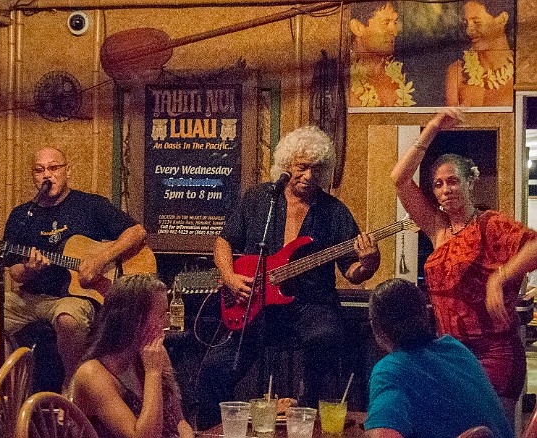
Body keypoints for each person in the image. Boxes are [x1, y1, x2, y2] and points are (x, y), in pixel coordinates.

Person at [195, 125, 381, 430]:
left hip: (312, 305)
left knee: (324, 338)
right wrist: (229, 277)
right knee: (215, 367)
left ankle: (305, 420)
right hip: (255, 303)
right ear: (286, 165)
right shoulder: (259, 199)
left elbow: (352, 272)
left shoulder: (334, 212)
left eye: (317, 169)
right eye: (302, 167)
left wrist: (368, 263)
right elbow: (224, 241)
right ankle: (212, 429)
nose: (309, 175)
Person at [390, 108, 537, 426]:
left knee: (489, 431)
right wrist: (431, 129)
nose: (445, 190)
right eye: (438, 184)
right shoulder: (436, 229)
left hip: (494, 353)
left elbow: (535, 246)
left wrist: (500, 277)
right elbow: (399, 178)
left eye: (453, 181)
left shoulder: (490, 224)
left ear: (471, 181)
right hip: (450, 353)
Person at [0, 147, 147, 389]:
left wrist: (101, 259)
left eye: (53, 168)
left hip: (72, 298)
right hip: (30, 299)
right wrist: (29, 270)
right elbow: (15, 273)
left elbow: (137, 232)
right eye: (39, 170)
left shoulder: (90, 205)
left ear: (67, 170)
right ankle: (19, 375)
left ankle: (72, 382)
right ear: (34, 177)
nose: (47, 175)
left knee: (68, 318)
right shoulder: (21, 216)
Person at [365, 278, 513, 438]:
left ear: (375, 327)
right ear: (426, 315)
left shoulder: (390, 371)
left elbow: (382, 435)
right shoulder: (454, 348)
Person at [71, 274, 194, 438]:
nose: (167, 322)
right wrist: (153, 373)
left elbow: (180, 422)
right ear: (136, 320)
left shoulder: (156, 353)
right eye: (162, 314)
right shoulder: (92, 374)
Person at [445, 0, 514, 107]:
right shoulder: (456, 72)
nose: (468, 31)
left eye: (477, 22)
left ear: (502, 19)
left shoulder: (522, 72)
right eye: (466, 23)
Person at [349, 1, 415, 107]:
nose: (394, 31)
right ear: (358, 28)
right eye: (385, 23)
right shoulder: (340, 77)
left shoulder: (403, 76)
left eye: (395, 23)